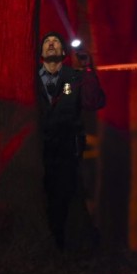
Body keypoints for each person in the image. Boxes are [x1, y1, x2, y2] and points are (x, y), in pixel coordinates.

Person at [37, 31, 105, 251]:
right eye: (47, 43)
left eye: (55, 43)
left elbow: (93, 101)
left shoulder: (72, 78)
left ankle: (62, 248)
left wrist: (86, 68)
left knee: (65, 198)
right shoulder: (33, 76)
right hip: (40, 148)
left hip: (67, 147)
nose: (51, 46)